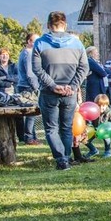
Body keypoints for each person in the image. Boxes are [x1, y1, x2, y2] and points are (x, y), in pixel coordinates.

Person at [32, 11, 89, 171]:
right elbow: (84, 67)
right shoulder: (77, 44)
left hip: (49, 92)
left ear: (49, 25)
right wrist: (73, 85)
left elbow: (37, 69)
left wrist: (53, 85)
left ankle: (61, 159)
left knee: (51, 128)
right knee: (66, 127)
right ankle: (66, 157)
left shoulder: (40, 43)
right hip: (70, 92)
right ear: (65, 25)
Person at [17, 32, 41, 145]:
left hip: (25, 85)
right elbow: (30, 73)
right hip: (27, 86)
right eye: (35, 41)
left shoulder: (26, 53)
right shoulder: (28, 54)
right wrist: (36, 88)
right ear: (29, 42)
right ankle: (29, 137)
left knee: (32, 113)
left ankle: (33, 137)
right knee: (31, 113)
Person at [86, 93, 111, 158]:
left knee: (106, 137)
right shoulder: (92, 111)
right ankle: (93, 150)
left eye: (104, 105)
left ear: (107, 105)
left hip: (104, 131)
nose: (101, 107)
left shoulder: (109, 112)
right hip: (94, 130)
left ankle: (108, 151)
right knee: (84, 139)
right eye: (99, 105)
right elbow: (88, 121)